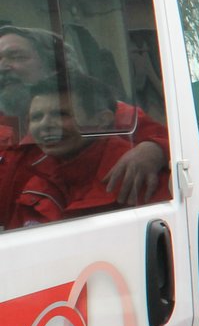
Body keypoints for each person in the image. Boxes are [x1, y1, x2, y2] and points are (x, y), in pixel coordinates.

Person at [0, 25, 167, 224]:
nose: (3, 67)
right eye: (0, 59)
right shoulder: (4, 124)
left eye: (17, 57)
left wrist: (155, 149)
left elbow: (181, 147)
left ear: (55, 66)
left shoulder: (109, 113)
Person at [10, 75, 134, 226]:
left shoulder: (137, 173)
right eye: (36, 117)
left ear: (102, 120)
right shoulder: (35, 186)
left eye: (61, 114)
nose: (45, 124)